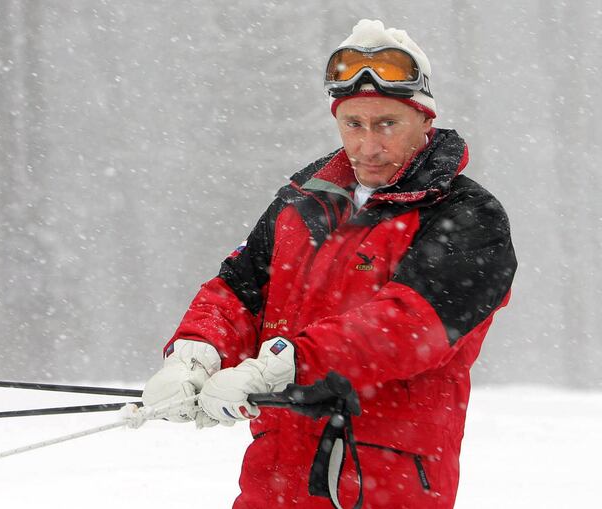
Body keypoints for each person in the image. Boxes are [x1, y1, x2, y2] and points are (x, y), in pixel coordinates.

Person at [142, 19, 517, 509]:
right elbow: (238, 290)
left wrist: (283, 365)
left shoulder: (467, 215)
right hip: (272, 480)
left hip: (385, 484)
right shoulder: (302, 202)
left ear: (425, 121)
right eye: (353, 124)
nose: (367, 144)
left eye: (387, 124)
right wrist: (196, 354)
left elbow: (407, 327)